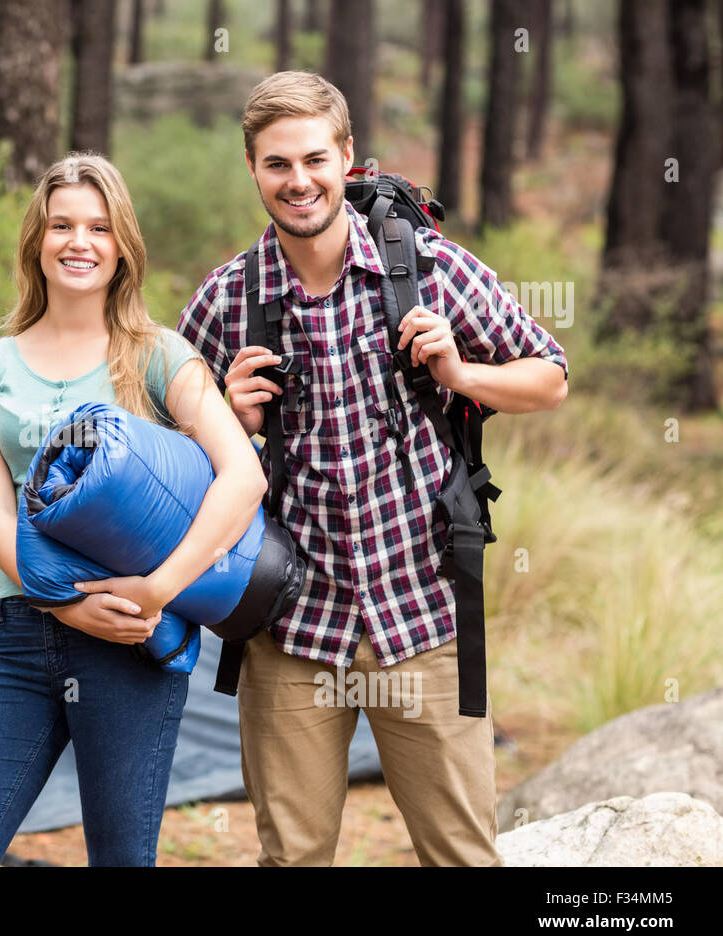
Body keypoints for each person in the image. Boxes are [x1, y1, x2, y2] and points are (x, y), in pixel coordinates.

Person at [176, 71, 569, 866]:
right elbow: (170, 475)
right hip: (290, 627)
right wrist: (231, 421)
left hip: (424, 613)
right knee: (293, 857)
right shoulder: (224, 302)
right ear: (252, 167)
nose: (299, 182)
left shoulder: (429, 270)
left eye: (315, 159)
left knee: (461, 854)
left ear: (347, 157)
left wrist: (463, 377)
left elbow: (550, 376)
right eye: (277, 164)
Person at [0, 153, 267, 867]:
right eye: (62, 226)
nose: (79, 242)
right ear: (37, 242)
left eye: (99, 228)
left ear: (122, 248)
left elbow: (243, 477)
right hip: (18, 632)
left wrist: (157, 590)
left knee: (120, 858)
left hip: (133, 640)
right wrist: (62, 605)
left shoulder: (160, 356)